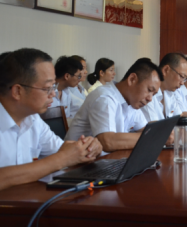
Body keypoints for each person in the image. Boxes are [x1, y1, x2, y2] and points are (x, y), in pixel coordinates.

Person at [0, 48, 102, 191]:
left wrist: (90, 147)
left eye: (54, 86)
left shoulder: (33, 119)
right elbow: (62, 156)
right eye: (47, 88)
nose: (53, 94)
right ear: (18, 91)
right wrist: (62, 159)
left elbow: (62, 149)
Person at [66, 58, 174, 152]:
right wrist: (156, 137)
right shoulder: (105, 97)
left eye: (153, 94)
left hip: (103, 161)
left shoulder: (132, 102)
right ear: (132, 79)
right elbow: (108, 141)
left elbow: (145, 129)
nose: (150, 99)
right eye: (149, 90)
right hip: (76, 164)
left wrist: (166, 131)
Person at [140, 53, 187, 122]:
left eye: (184, 79)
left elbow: (179, 119)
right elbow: (154, 126)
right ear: (166, 70)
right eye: (181, 76)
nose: (182, 83)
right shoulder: (148, 94)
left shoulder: (170, 94)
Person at [53, 56, 85, 120]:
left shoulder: (67, 92)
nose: (79, 79)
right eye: (78, 76)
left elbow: (68, 117)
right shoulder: (47, 92)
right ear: (67, 76)